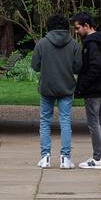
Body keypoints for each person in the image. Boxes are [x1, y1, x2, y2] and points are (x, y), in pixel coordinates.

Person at [30, 13, 82, 169]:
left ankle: (45, 157)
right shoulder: (74, 45)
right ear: (66, 28)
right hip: (66, 87)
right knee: (65, 121)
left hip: (46, 87)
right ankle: (65, 158)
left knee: (45, 122)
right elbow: (78, 67)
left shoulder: (42, 43)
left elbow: (35, 65)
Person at [72, 12, 101, 169]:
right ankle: (99, 156)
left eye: (78, 28)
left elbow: (95, 66)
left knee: (94, 123)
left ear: (87, 26)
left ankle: (96, 158)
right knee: (100, 122)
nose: (76, 31)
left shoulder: (91, 44)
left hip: (94, 89)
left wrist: (83, 86)